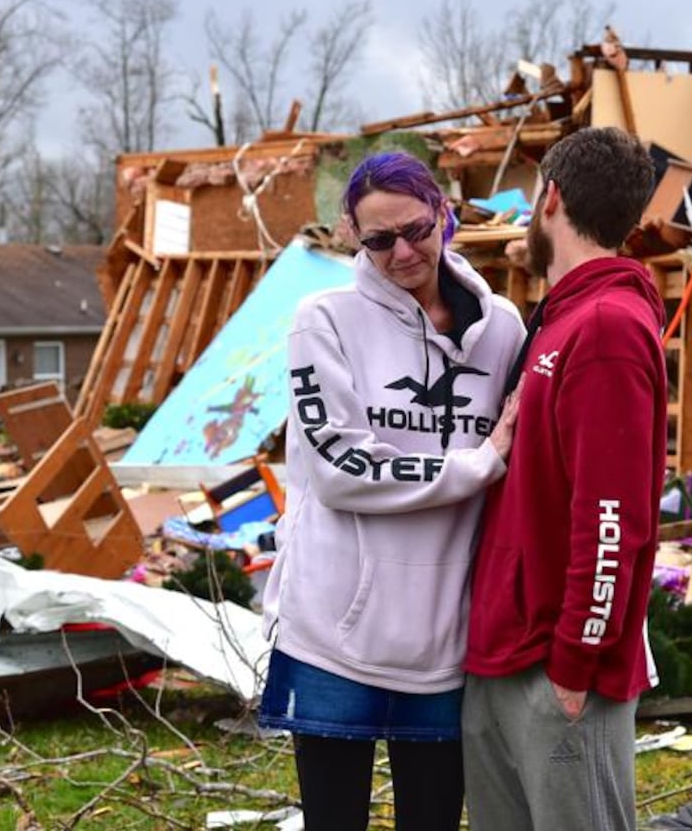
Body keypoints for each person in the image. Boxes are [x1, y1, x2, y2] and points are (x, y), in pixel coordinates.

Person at [259, 150, 525, 831]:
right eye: (379, 240)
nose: (402, 252)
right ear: (353, 236)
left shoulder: (503, 331)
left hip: (443, 641)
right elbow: (339, 467)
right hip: (332, 632)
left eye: (416, 229)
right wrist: (479, 462)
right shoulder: (323, 321)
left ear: (445, 215)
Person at [462, 127, 667, 830]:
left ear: (550, 199)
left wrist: (576, 665)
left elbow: (615, 518)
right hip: (506, 655)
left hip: (559, 671)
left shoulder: (608, 326)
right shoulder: (560, 321)